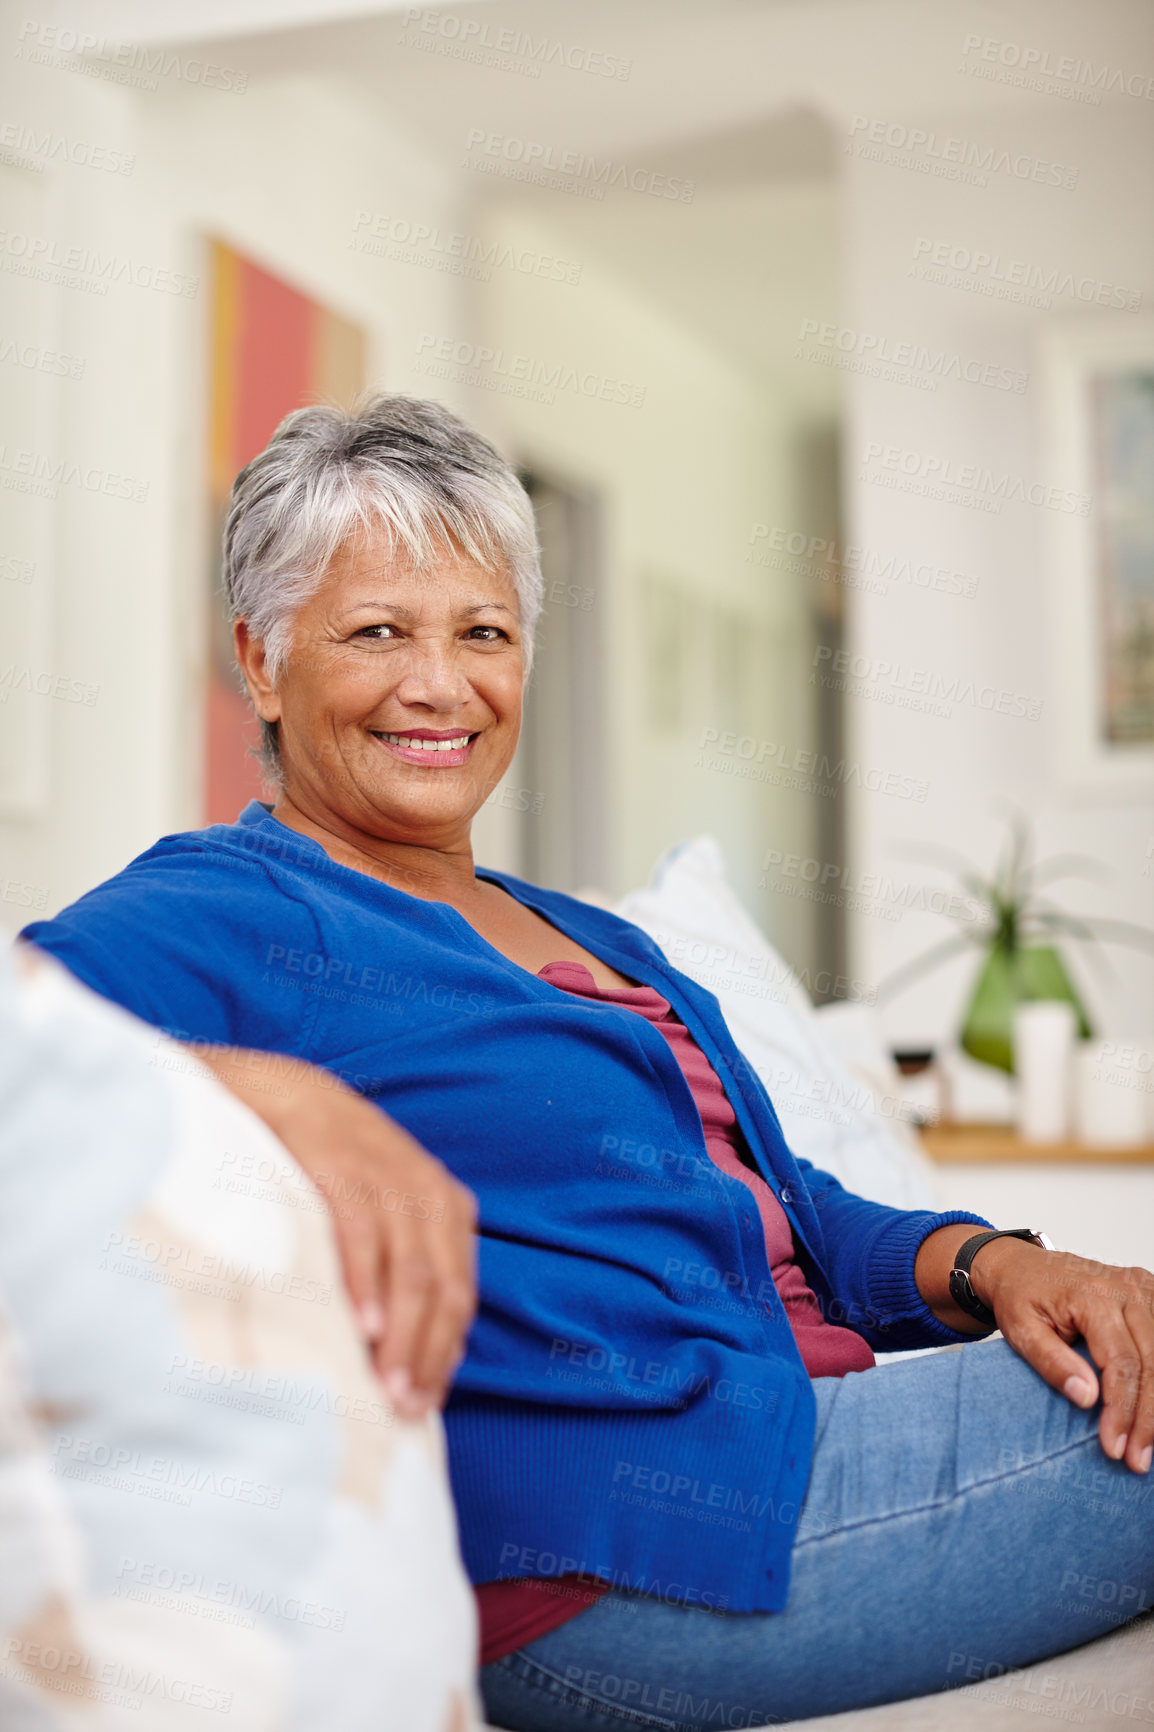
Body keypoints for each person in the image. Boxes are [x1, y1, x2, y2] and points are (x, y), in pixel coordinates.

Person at [22, 395, 1154, 1731]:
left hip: (793, 1424)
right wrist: (261, 1091)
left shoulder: (596, 937)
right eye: (377, 631)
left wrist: (997, 1262)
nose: (440, 684)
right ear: (261, 664)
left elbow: (796, 1215)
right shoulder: (221, 909)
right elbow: (20, 1051)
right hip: (618, 1548)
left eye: (483, 633)